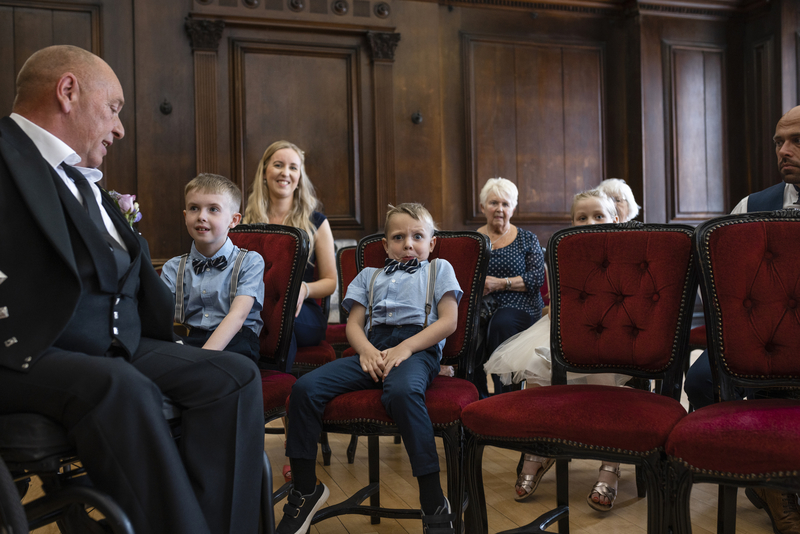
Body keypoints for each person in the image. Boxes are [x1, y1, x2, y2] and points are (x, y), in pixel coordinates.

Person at [0, 45, 264, 534]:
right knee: (123, 387)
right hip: (28, 351)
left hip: (119, 343)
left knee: (235, 377)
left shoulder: (84, 182)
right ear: (68, 91)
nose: (120, 128)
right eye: (114, 108)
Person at [278, 203, 463, 534]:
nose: (408, 243)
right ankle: (306, 488)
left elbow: (449, 322)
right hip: (371, 350)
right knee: (304, 389)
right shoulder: (369, 276)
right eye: (399, 237)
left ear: (431, 243)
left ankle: (433, 499)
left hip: (416, 350)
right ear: (386, 244)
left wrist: (405, 348)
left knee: (404, 392)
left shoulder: (439, 269)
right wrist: (364, 351)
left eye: (418, 236)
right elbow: (354, 325)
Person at [684, 105, 800, 534]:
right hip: (757, 342)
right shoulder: (751, 206)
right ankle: (769, 482)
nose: (784, 151)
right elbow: (722, 290)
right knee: (699, 381)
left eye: (797, 141)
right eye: (778, 142)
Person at [486, 189, 630, 511]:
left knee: (601, 374)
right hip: (567, 326)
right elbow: (553, 304)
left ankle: (610, 462)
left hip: (613, 333)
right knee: (539, 365)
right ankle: (540, 448)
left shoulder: (626, 257)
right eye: (581, 218)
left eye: (598, 216)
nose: (589, 223)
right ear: (571, 223)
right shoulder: (565, 255)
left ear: (616, 220)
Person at [243, 140, 336, 371]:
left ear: (299, 178)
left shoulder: (317, 222)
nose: (285, 172)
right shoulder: (247, 221)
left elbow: (331, 282)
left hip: (303, 314)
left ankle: (278, 387)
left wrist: (304, 289)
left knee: (282, 319)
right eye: (278, 165)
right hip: (258, 308)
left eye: (293, 167)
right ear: (265, 172)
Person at [160, 173, 265, 363]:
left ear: (234, 220)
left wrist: (199, 360)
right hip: (190, 340)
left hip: (236, 342)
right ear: (185, 216)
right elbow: (159, 318)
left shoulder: (250, 262)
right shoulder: (173, 268)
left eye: (213, 209)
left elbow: (237, 316)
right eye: (194, 208)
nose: (201, 216)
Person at [473, 177, 545, 398]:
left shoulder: (526, 239)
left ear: (513, 208)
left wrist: (499, 283)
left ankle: (507, 398)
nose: (500, 209)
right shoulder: (474, 240)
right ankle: (477, 401)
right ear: (483, 207)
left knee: (501, 324)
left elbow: (536, 278)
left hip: (521, 303)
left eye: (505, 204)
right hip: (482, 304)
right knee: (469, 331)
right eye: (494, 203)